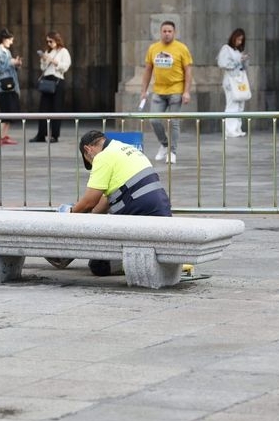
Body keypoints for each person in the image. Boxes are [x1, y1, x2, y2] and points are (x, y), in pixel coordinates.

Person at [71, 130, 172, 276]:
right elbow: (104, 203)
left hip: (142, 217)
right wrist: (89, 216)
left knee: (99, 265)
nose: (93, 164)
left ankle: (138, 265)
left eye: (90, 162)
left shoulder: (102, 157)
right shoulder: (125, 148)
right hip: (161, 214)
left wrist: (70, 215)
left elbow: (89, 202)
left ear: (88, 149)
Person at [140, 21, 193, 164]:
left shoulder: (181, 48)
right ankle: (164, 144)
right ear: (160, 32)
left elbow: (188, 70)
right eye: (164, 31)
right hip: (158, 90)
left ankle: (172, 151)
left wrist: (186, 91)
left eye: (170, 31)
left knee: (173, 122)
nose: (167, 34)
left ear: (174, 33)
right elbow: (148, 70)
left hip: (176, 90)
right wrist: (144, 90)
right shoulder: (153, 48)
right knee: (154, 120)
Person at [30, 31, 71, 143]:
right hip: (47, 81)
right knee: (43, 109)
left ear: (56, 40)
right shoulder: (48, 51)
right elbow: (43, 68)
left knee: (56, 109)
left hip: (57, 81)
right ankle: (41, 135)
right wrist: (44, 60)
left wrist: (54, 61)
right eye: (47, 41)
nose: (49, 43)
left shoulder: (63, 51)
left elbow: (65, 66)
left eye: (51, 41)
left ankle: (55, 135)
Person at [0, 28, 22, 146]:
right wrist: (10, 63)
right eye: (10, 40)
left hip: (11, 86)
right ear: (4, 39)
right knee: (4, 113)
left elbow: (9, 68)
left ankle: (4, 136)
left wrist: (16, 64)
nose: (11, 42)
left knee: (10, 114)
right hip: (2, 87)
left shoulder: (6, 51)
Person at [217, 28, 251, 138]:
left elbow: (243, 66)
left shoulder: (238, 51)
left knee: (240, 105)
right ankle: (230, 130)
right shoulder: (226, 49)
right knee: (232, 105)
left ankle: (237, 128)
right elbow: (223, 63)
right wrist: (238, 61)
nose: (240, 42)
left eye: (241, 40)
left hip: (240, 79)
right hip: (231, 80)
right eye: (238, 39)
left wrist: (244, 60)